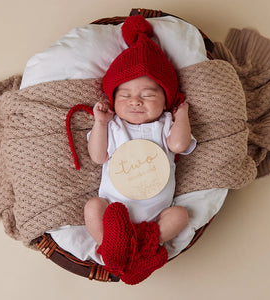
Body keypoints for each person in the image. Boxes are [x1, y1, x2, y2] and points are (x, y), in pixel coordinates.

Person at [83, 15, 196, 285]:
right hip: (113, 209)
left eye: (148, 94)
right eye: (125, 95)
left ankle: (142, 247)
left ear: (165, 100)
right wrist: (100, 123)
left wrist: (182, 115)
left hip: (155, 215)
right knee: (92, 207)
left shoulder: (164, 123)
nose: (135, 101)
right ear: (113, 98)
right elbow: (98, 156)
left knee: (180, 215)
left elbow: (179, 145)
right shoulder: (113, 126)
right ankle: (111, 246)